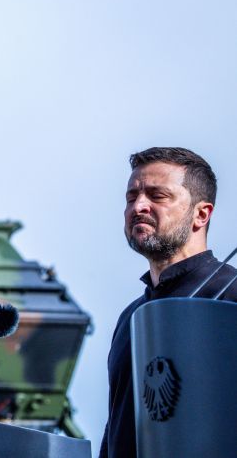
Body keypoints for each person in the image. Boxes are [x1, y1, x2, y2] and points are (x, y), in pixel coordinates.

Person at [99, 147, 237, 458]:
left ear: (201, 214)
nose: (139, 206)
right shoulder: (131, 317)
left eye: (157, 195)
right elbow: (116, 428)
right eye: (131, 196)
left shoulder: (232, 295)